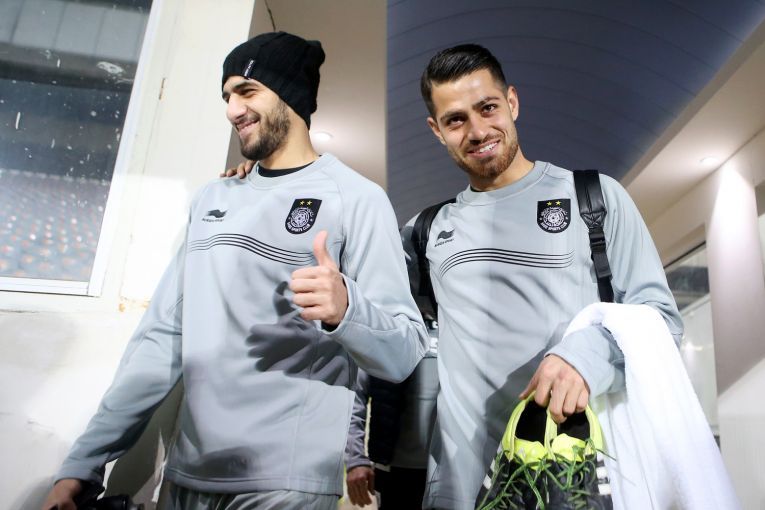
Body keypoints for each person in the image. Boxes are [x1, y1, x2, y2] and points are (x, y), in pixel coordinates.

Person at [42, 31, 428, 510]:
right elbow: (161, 340)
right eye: (227, 96)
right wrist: (84, 462)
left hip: (285, 482)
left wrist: (348, 309)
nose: (232, 110)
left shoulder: (357, 199)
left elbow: (403, 353)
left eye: (247, 91)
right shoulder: (212, 198)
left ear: (290, 95)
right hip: (188, 472)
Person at [403, 44, 684, 509]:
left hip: (574, 481)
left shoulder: (594, 198)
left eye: (488, 108)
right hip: (462, 486)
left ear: (512, 102)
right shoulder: (424, 231)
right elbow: (388, 331)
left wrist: (585, 358)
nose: (477, 131)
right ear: (437, 130)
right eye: (456, 120)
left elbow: (663, 323)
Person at [345, 319, 439, 509]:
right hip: (394, 472)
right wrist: (355, 459)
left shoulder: (458, 326)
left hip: (448, 473)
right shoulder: (383, 323)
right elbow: (353, 398)